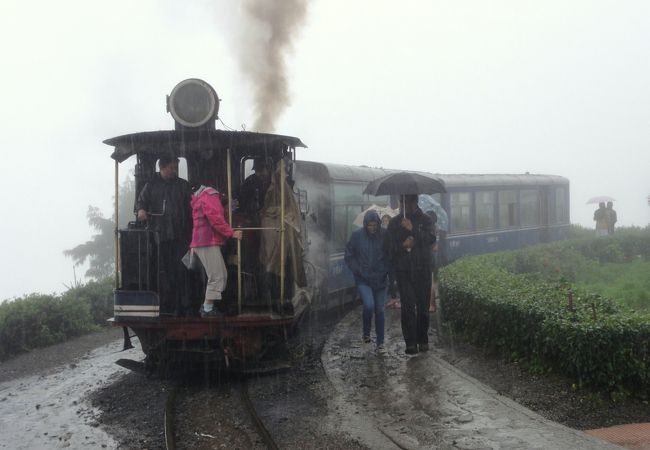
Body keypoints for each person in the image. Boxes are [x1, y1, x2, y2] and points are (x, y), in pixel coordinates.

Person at [135, 155, 192, 315]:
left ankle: (186, 307)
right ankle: (168, 306)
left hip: (182, 235)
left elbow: (193, 205)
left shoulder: (183, 185)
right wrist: (141, 210)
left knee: (183, 271)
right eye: (172, 168)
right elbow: (141, 202)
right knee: (165, 272)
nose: (174, 171)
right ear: (162, 167)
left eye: (176, 168)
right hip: (160, 236)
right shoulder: (151, 185)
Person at [385, 194, 436, 355]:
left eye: (405, 201)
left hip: (422, 269)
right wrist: (402, 245)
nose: (402, 204)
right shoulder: (394, 224)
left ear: (414, 202)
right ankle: (410, 342)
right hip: (404, 271)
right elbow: (389, 248)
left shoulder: (426, 220)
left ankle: (423, 339)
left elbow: (431, 240)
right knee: (407, 307)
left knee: (422, 307)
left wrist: (412, 229)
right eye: (400, 201)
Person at [190, 181, 243, 317]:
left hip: (203, 241)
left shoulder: (202, 196)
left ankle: (209, 307)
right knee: (217, 276)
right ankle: (207, 309)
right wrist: (231, 232)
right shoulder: (211, 195)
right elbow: (215, 218)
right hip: (207, 241)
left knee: (221, 275)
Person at [344, 210, 389, 354]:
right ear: (365, 225)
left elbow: (390, 254)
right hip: (363, 279)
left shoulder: (385, 235)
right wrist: (358, 270)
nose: (372, 228)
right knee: (369, 305)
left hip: (381, 279)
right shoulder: (357, 236)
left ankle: (380, 343)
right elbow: (349, 255)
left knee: (380, 309)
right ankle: (366, 333)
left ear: (378, 224)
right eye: (369, 225)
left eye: (374, 225)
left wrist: (387, 271)